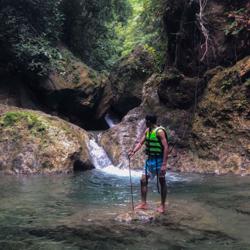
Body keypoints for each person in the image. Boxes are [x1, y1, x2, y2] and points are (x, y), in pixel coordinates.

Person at [128, 114, 169, 213]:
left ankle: (162, 205)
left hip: (159, 160)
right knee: (143, 180)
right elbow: (140, 143)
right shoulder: (148, 131)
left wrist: (164, 164)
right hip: (149, 160)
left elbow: (166, 147)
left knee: (162, 182)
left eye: (146, 121)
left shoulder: (159, 132)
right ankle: (143, 203)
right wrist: (133, 151)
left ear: (150, 121)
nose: (145, 122)